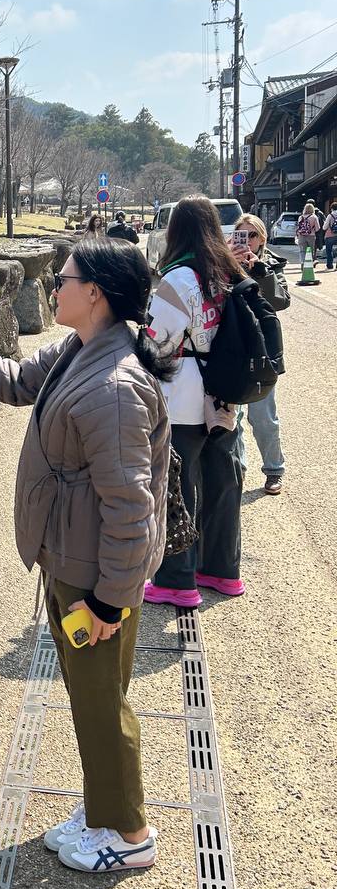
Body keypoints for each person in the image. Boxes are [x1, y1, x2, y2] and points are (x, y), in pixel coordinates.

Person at [0, 240, 171, 874]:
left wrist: (110, 598)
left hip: (92, 578)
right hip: (72, 559)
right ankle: (102, 809)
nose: (54, 287)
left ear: (97, 294)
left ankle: (130, 833)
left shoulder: (113, 387)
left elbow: (130, 509)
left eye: (64, 279)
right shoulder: (80, 351)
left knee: (99, 701)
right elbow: (12, 381)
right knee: (93, 697)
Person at [143, 195, 247, 608]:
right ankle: (221, 571)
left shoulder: (178, 280)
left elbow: (158, 343)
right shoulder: (230, 273)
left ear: (177, 231)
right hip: (225, 394)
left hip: (185, 395)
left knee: (178, 486)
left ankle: (177, 579)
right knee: (222, 482)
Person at [231, 214, 290, 495]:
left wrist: (260, 272)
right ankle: (238, 467)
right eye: (241, 235)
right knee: (234, 417)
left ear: (262, 238)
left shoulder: (272, 266)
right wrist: (228, 265)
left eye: (252, 235)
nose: (248, 242)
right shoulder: (225, 262)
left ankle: (274, 469)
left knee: (263, 416)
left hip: (263, 348)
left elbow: (280, 300)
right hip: (232, 347)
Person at [323, 200, 337, 270]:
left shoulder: (330, 215)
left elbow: (324, 227)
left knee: (329, 250)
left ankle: (330, 265)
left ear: (331, 208)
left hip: (330, 236)